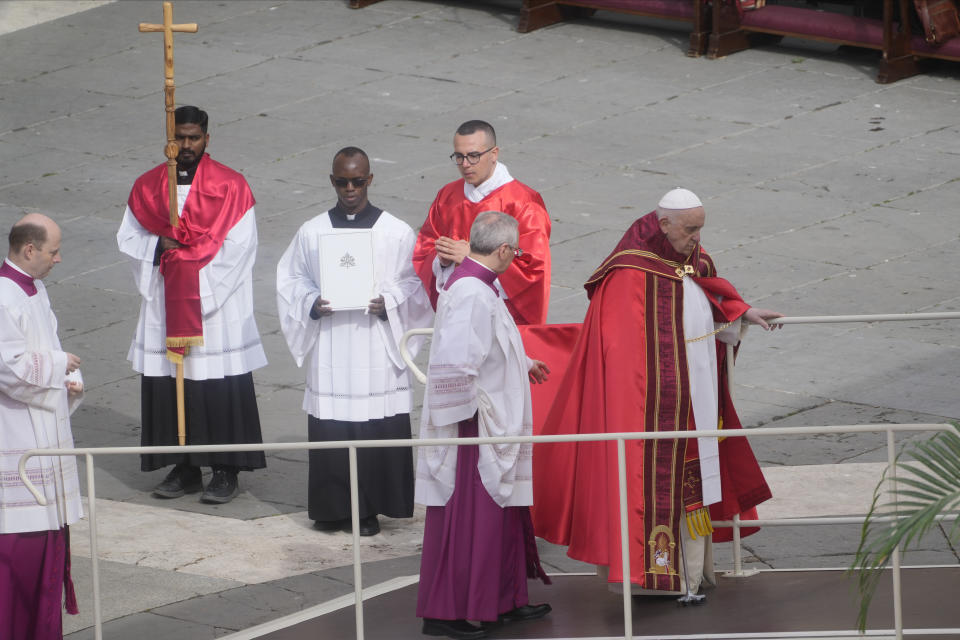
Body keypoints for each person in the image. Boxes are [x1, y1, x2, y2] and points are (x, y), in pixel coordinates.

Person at [532, 188, 781, 597]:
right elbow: (622, 351)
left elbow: (708, 297)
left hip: (696, 401)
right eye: (689, 229)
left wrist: (742, 312)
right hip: (647, 408)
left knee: (693, 486)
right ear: (664, 224)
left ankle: (692, 574)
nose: (697, 238)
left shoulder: (695, 260)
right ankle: (650, 582)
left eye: (700, 228)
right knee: (645, 486)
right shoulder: (629, 272)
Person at [276, 147, 433, 536]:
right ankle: (331, 509)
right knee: (333, 428)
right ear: (332, 181)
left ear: (370, 179)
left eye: (357, 181)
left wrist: (389, 302)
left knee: (372, 427)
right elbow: (289, 281)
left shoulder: (395, 231)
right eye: (342, 181)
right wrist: (311, 303)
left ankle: (369, 509)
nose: (350, 189)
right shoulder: (312, 232)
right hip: (331, 344)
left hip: (375, 346)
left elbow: (416, 284)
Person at [117, 106, 267, 504]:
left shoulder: (231, 186)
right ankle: (183, 468)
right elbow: (129, 238)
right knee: (170, 384)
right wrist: (157, 246)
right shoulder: (149, 186)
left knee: (217, 385)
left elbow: (241, 246)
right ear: (169, 137)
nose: (186, 145)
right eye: (179, 137)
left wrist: (196, 282)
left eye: (194, 138)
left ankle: (225, 469)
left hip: (214, 305)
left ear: (206, 138)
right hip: (166, 301)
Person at [416, 211, 552, 640]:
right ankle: (448, 611)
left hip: (486, 421)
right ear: (505, 250)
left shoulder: (478, 285)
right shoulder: (473, 291)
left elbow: (490, 343)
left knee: (502, 512)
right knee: (472, 515)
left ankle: (500, 600)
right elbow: (457, 362)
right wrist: (470, 423)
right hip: (472, 428)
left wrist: (523, 364)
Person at [1, 213, 83, 639]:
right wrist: (57, 365)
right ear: (29, 249)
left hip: (41, 426)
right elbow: (7, 368)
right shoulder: (1, 296)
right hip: (14, 434)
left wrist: (66, 379)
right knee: (20, 550)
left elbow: (47, 345)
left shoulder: (36, 289)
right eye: (53, 251)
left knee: (48, 536)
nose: (59, 258)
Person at [412, 120, 551, 326]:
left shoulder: (523, 203)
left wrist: (471, 259)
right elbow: (425, 247)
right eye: (459, 157)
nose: (466, 164)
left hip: (501, 318)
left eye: (474, 156)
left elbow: (532, 269)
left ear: (494, 154)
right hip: (455, 311)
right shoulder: (448, 196)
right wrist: (442, 260)